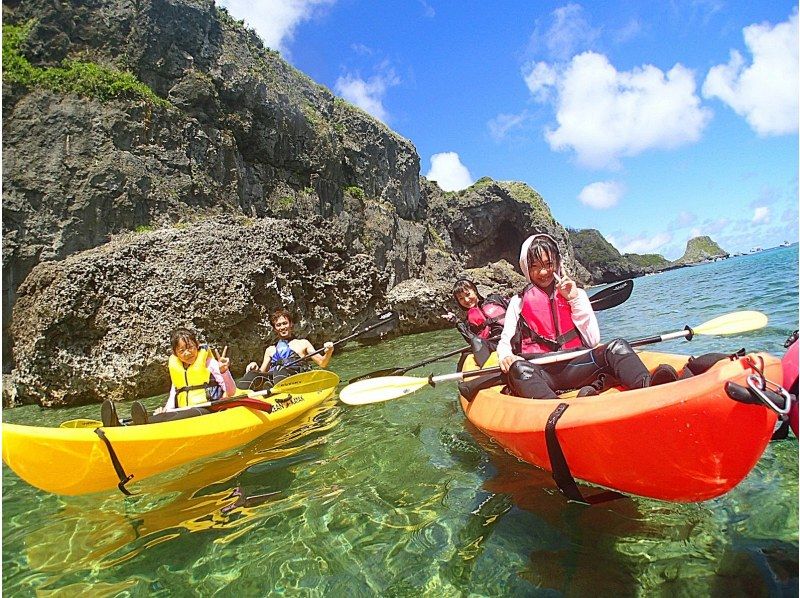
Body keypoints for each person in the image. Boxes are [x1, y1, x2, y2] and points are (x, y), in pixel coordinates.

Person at [485, 233, 678, 400]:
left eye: (548, 264)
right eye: (535, 266)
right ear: (526, 268)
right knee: (519, 369)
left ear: (557, 263)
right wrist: (506, 356)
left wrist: (574, 301)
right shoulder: (517, 302)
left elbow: (592, 340)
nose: (543, 272)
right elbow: (505, 343)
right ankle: (559, 411)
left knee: (617, 346)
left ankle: (648, 387)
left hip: (579, 365)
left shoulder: (577, 294)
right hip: (542, 372)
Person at [100, 327, 237, 426]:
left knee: (177, 416)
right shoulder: (179, 370)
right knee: (166, 415)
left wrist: (224, 371)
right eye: (182, 350)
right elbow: (175, 394)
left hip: (208, 409)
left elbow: (231, 392)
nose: (187, 353)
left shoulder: (211, 364)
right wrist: (166, 410)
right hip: (184, 410)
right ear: (176, 353)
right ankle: (120, 425)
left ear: (197, 345)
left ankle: (142, 424)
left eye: (190, 347)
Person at [237, 307, 334, 391]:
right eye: (278, 325)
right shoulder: (270, 350)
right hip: (275, 379)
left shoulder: (303, 343)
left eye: (285, 323)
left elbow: (322, 363)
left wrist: (329, 352)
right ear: (275, 329)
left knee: (280, 368)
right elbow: (262, 373)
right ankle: (236, 399)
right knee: (252, 374)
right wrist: (255, 368)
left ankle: (278, 393)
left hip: (296, 379)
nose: (282, 327)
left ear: (291, 324)